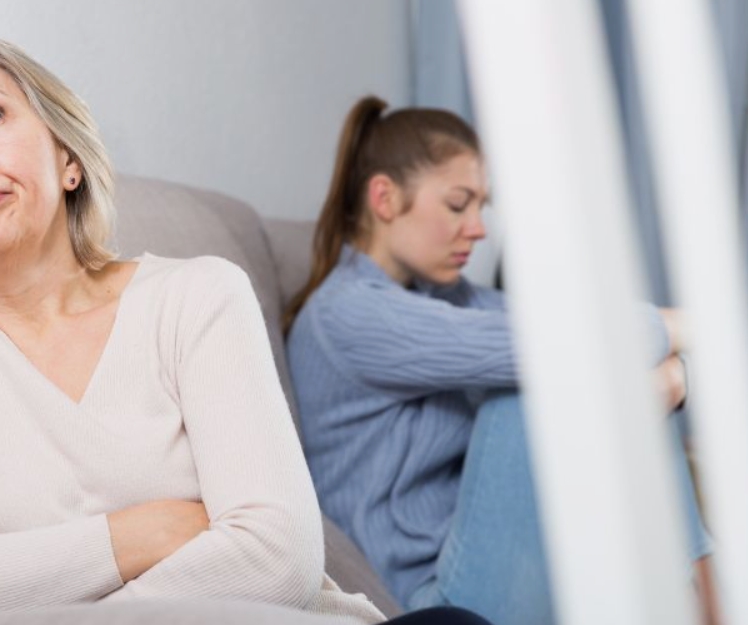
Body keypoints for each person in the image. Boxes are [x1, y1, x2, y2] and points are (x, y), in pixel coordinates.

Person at [0, 30, 499, 625]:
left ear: (68, 160)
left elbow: (278, 557)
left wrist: (0, 587)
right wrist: (142, 532)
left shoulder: (198, 295)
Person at [284, 96, 716, 624]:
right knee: (532, 387)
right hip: (428, 602)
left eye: (481, 206)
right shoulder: (348, 314)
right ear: (385, 198)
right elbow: (559, 349)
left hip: (485, 564)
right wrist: (700, 337)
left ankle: (698, 597)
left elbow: (576, 324)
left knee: (582, 368)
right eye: (458, 204)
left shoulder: (445, 297)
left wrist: (672, 377)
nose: (479, 228)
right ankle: (706, 599)